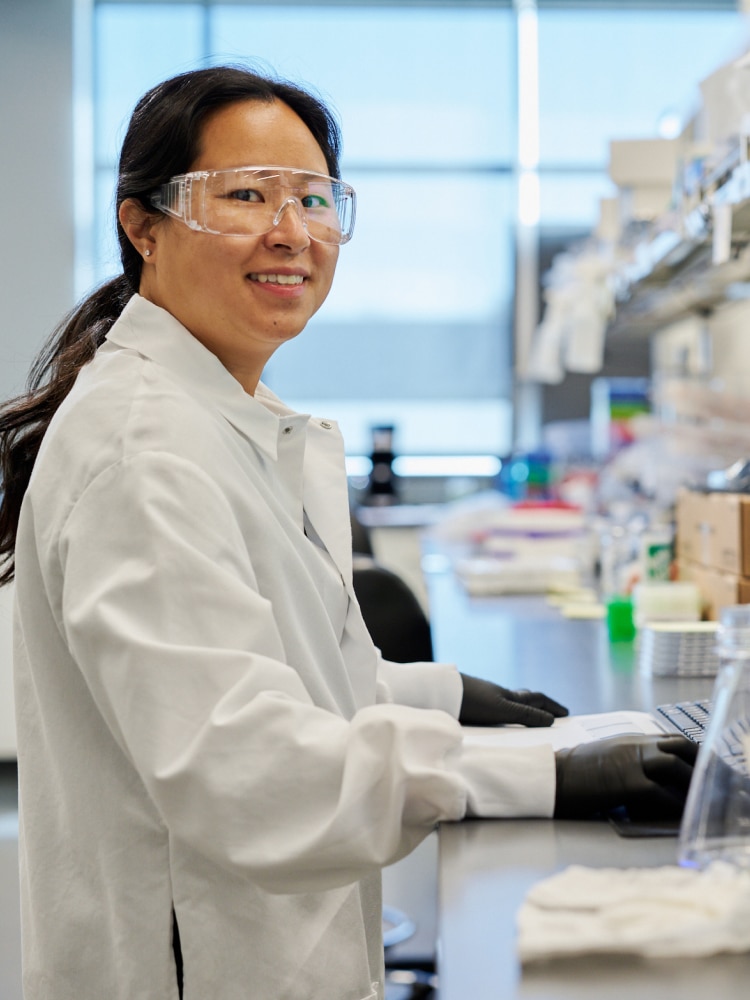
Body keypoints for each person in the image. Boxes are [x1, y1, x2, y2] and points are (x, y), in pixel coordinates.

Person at [0, 66, 697, 1000]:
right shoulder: (145, 451)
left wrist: (448, 696)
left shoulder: (220, 416)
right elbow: (248, 770)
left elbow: (285, 675)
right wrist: (540, 777)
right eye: (245, 195)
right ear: (144, 223)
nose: (290, 231)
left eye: (314, 199)